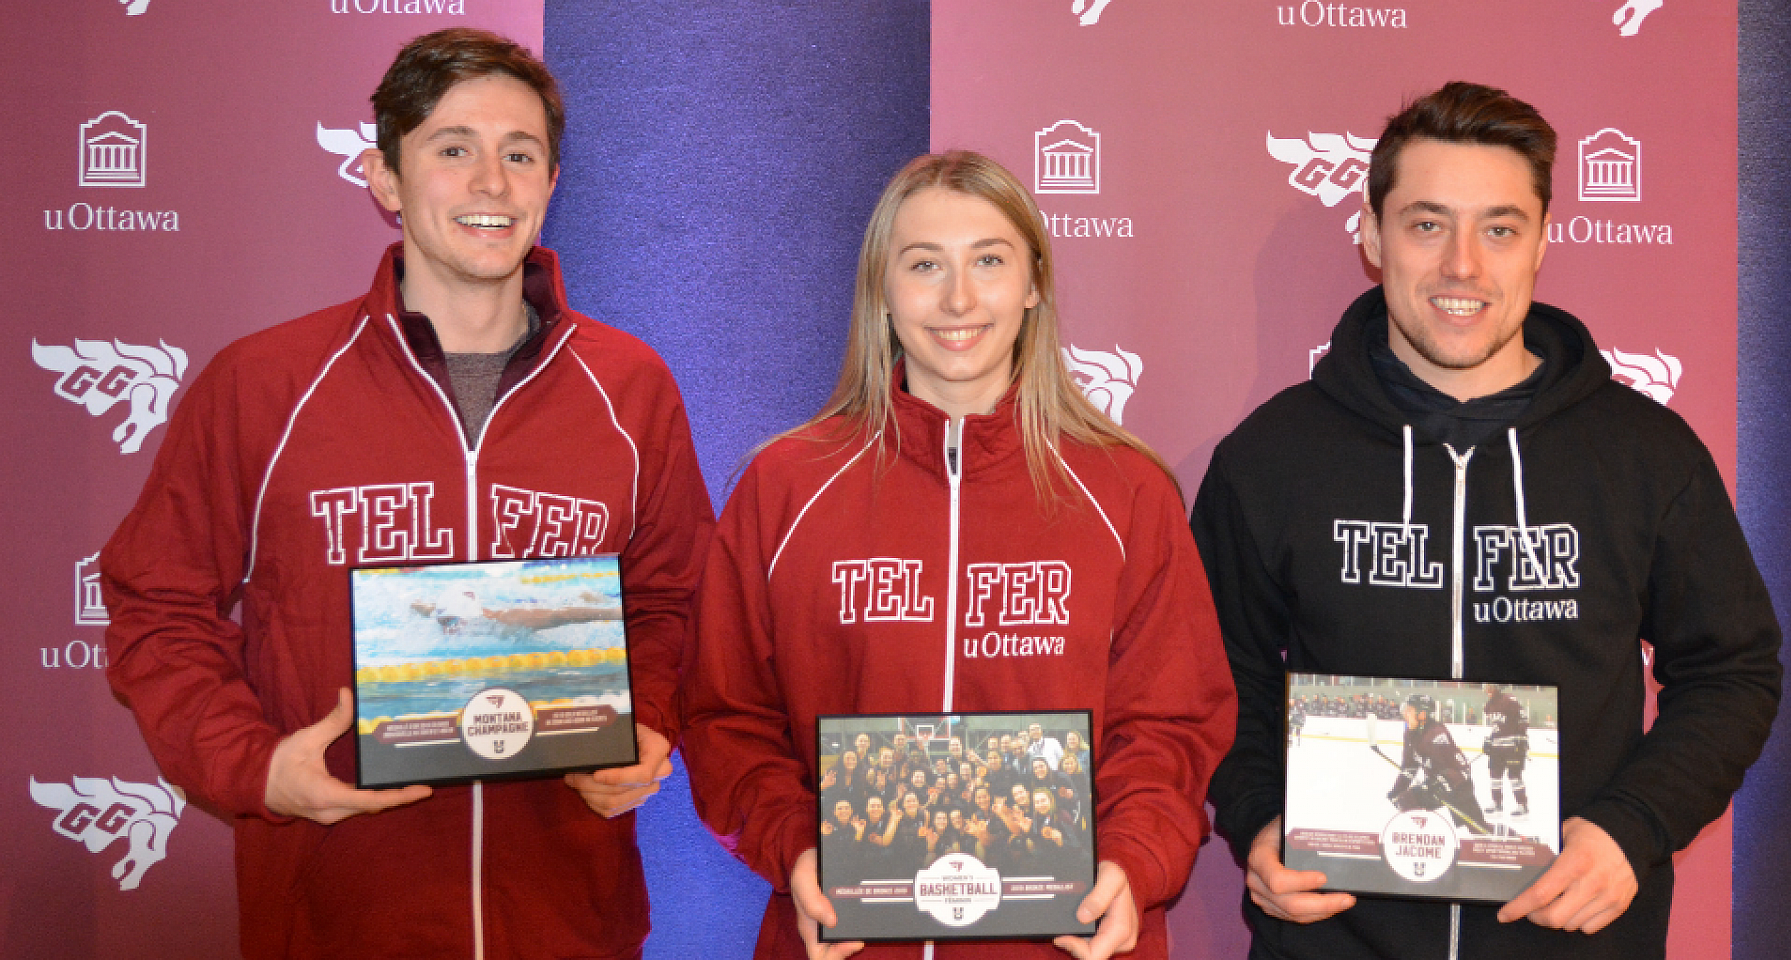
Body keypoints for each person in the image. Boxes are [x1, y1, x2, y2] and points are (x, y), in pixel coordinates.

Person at [97, 28, 713, 960]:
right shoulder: (262, 386)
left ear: (552, 184)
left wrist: (647, 726)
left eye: (520, 155)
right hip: (334, 914)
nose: (491, 184)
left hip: (568, 920)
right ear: (386, 179)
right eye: (452, 149)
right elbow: (157, 607)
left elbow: (673, 601)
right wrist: (254, 767)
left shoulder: (631, 388)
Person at [1192, 81, 1782, 958]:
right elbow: (1211, 675)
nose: (1463, 265)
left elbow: (1733, 671)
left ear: (1542, 242)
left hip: (1572, 938)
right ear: (1370, 234)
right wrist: (1258, 819)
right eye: (1428, 224)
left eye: (1499, 228)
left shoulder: (1644, 453)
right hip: (1337, 938)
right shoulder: (1271, 456)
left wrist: (1632, 828)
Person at [680, 150, 1235, 960]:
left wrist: (1131, 859)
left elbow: (1173, 724)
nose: (959, 298)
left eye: (989, 261)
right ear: (882, 291)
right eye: (924, 265)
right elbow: (726, 714)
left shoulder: (1127, 492)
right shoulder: (784, 488)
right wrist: (799, 847)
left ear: (1034, 283)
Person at [1387, 695, 1490, 835]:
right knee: (1406, 799)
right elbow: (1409, 767)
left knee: (1480, 830)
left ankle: (1513, 840)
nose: (1405, 713)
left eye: (1409, 710)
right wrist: (1397, 790)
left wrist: (1443, 783)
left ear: (1422, 714)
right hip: (1438, 784)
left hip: (1459, 786)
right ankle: (1423, 837)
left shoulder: (1436, 734)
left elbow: (1458, 767)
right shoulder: (1410, 734)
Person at [1482, 683, 1531, 818]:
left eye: (1491, 688)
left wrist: (1522, 737)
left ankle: (1522, 805)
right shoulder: (1488, 706)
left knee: (1514, 775)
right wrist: (1490, 740)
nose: (1488, 691)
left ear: (1498, 688)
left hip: (1512, 747)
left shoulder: (1509, 700)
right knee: (1494, 775)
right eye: (1487, 688)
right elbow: (1497, 726)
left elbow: (1523, 717)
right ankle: (1497, 803)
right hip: (1497, 747)